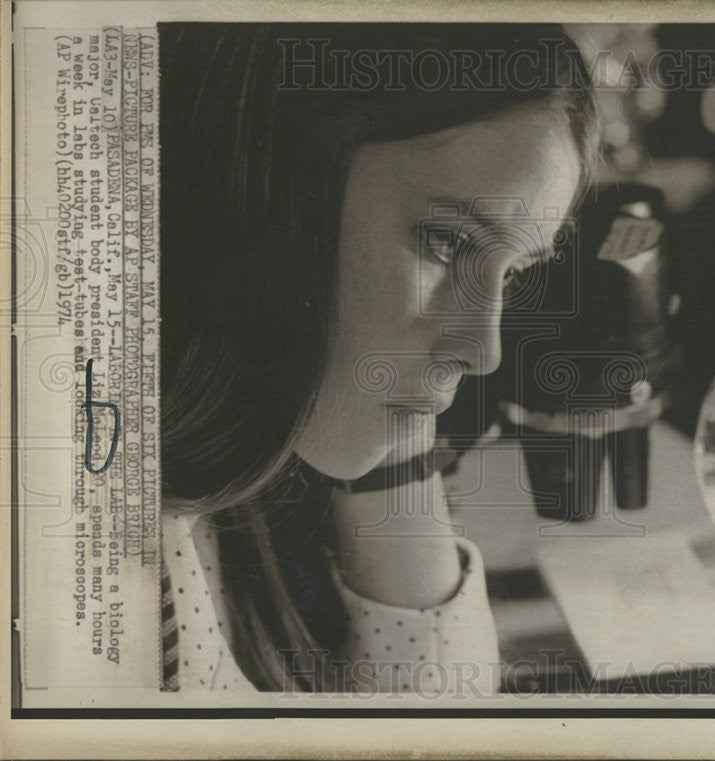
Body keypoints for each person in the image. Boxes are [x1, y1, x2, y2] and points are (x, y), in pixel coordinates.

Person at [158, 23, 600, 694]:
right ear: (268, 191)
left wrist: (394, 419)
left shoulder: (222, 490)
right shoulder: (100, 560)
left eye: (510, 275)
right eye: (447, 244)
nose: (484, 349)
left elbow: (436, 712)